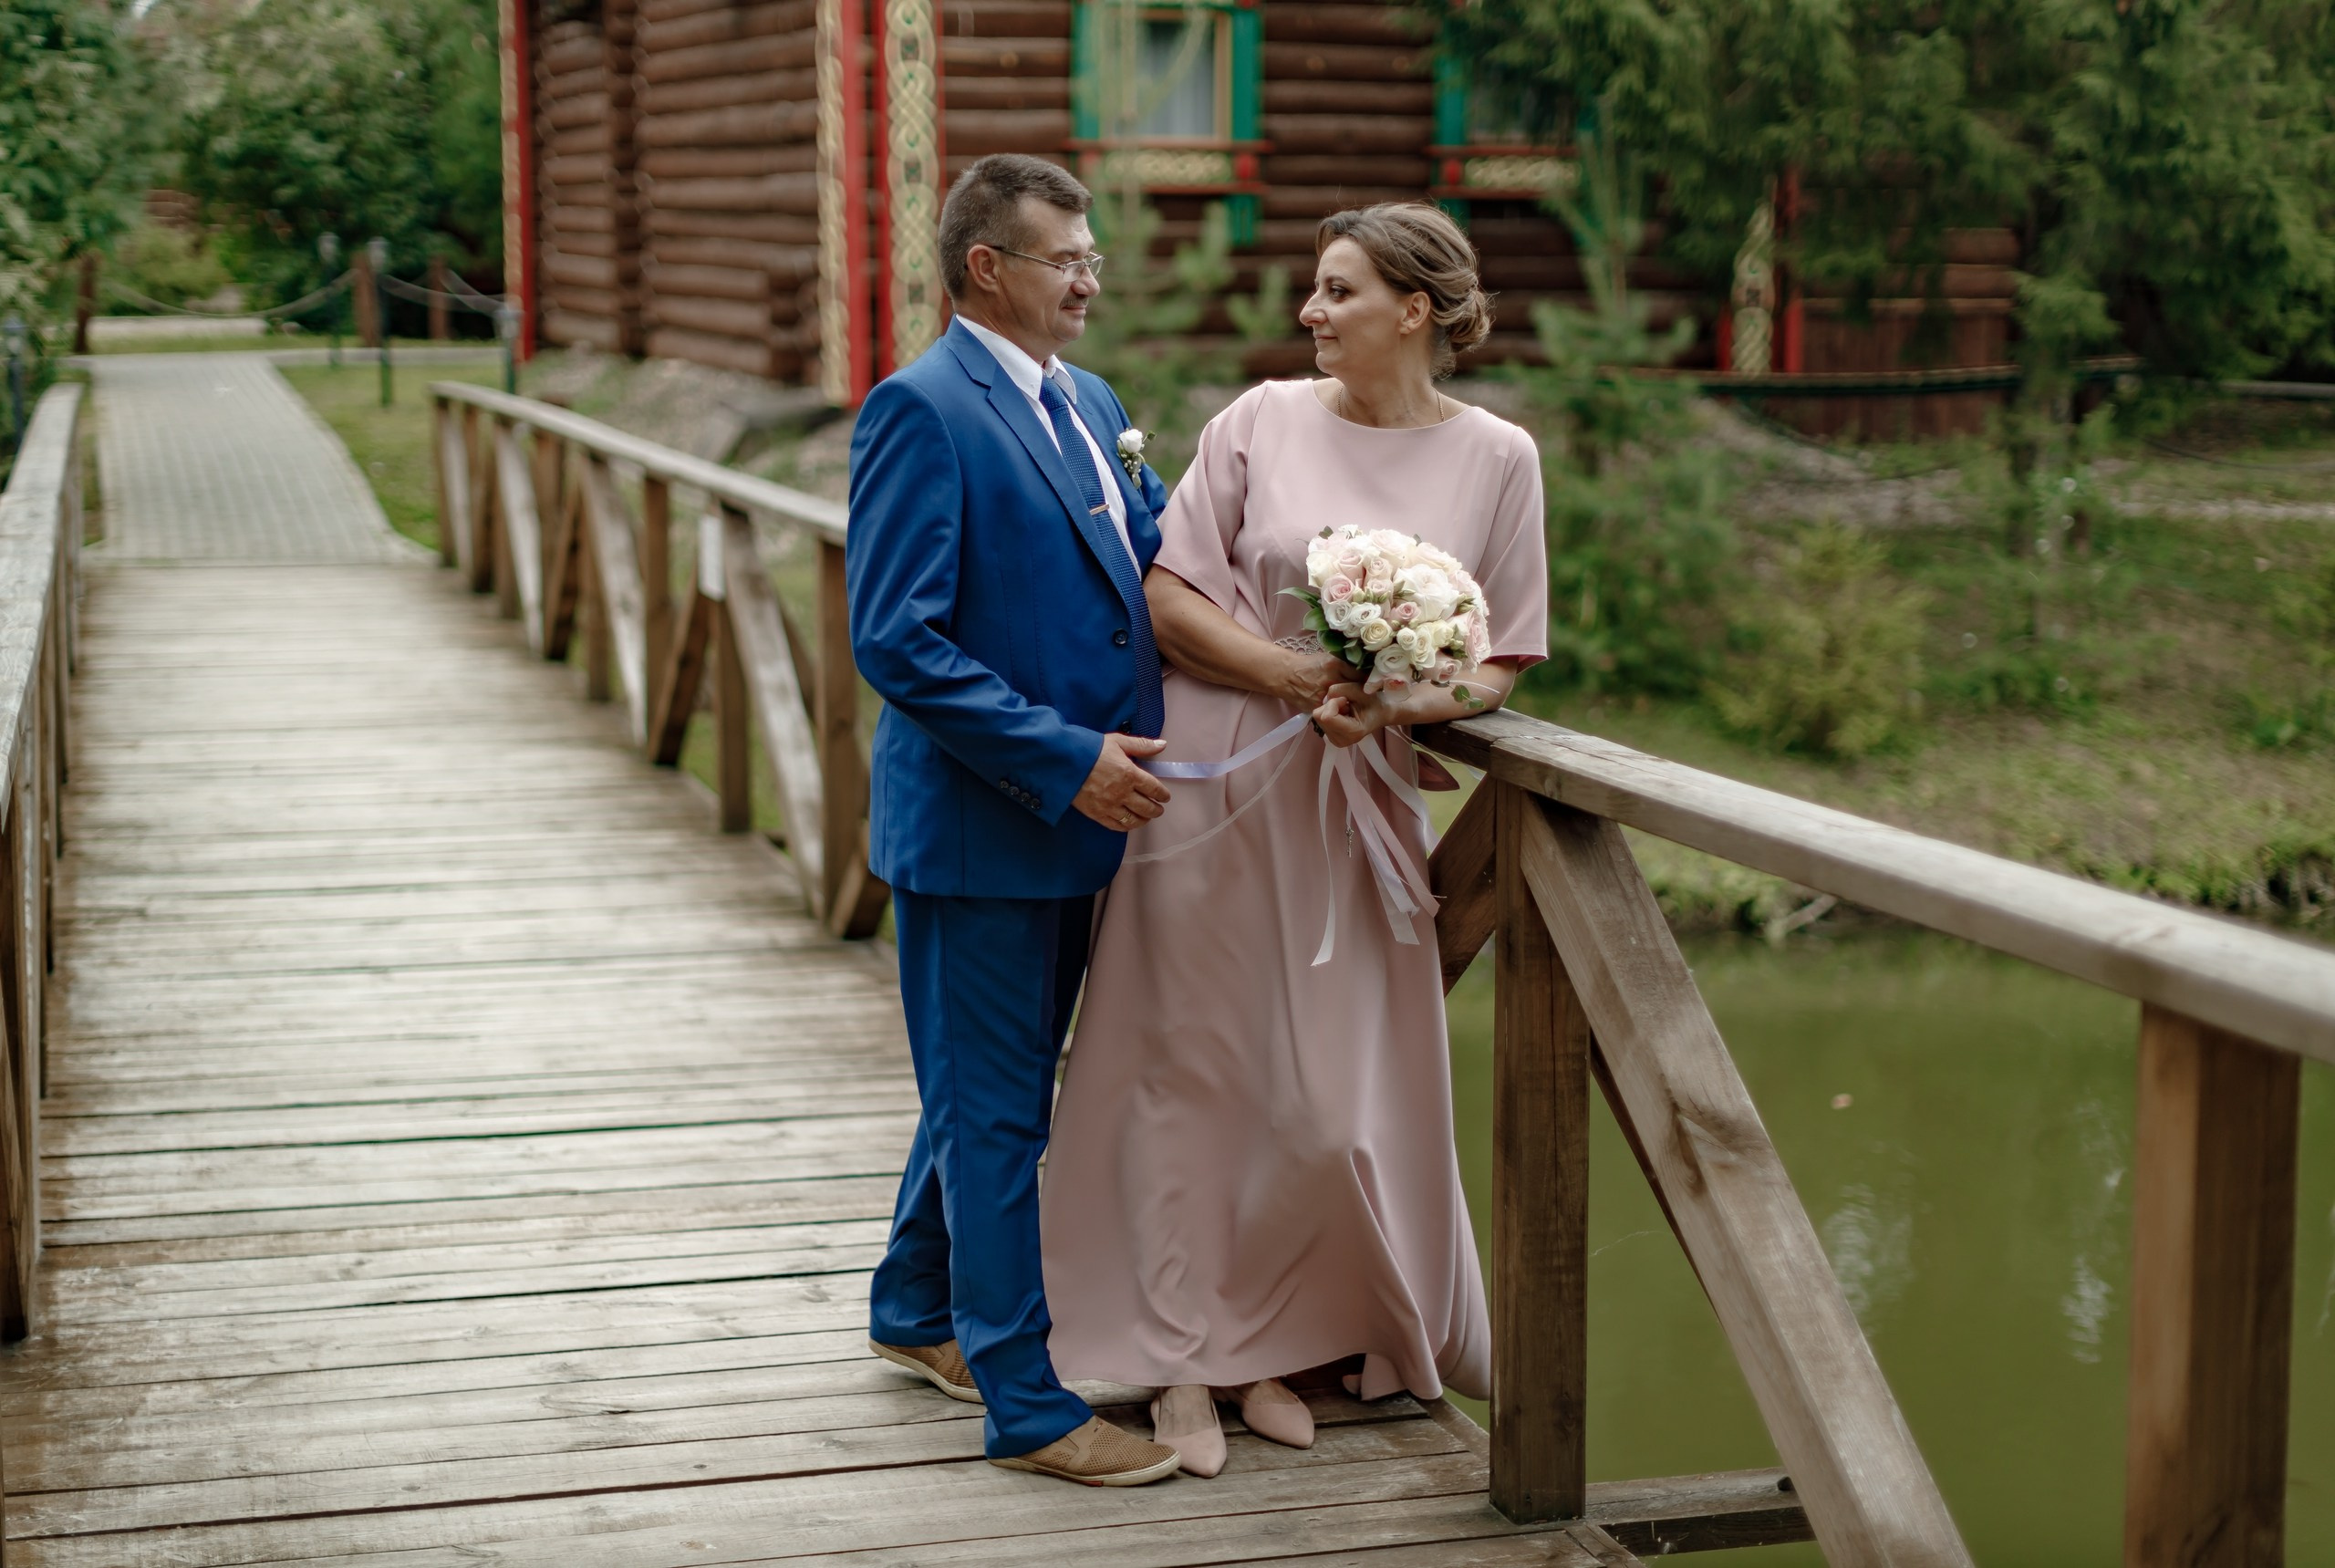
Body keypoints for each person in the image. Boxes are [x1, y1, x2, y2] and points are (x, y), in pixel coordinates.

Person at [1040, 202, 1550, 1477]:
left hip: (1350, 799)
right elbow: (1164, 594)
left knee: (1319, 1101)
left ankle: (1267, 1340)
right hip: (1214, 785)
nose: (1310, 315)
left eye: (1336, 291)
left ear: (1415, 310)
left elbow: (1499, 665)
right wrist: (1291, 674)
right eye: (1313, 293)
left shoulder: (1500, 459)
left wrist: (1399, 694)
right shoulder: (1258, 420)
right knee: (1185, 1072)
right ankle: (1177, 1365)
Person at [847, 153, 1184, 1487]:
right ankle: (1030, 1406)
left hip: (1072, 820)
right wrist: (1063, 760)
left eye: (1094, 257)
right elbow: (900, 640)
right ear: (989, 267)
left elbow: (1146, 565)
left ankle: (916, 1311)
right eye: (1068, 260)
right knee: (997, 1116)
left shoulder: (1089, 401)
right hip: (987, 824)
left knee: (991, 1093)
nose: (1091, 279)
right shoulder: (921, 409)